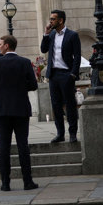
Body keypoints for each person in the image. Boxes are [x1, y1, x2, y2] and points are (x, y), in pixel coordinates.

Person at [0, 34, 38, 191]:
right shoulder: (24, 62)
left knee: (4, 147)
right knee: (23, 145)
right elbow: (33, 85)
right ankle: (27, 181)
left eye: (0, 44)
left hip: (2, 110)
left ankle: (5, 183)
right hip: (21, 109)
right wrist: (21, 88)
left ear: (7, 45)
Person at [40, 9, 81, 143]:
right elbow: (43, 49)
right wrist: (45, 34)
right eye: (50, 19)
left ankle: (73, 133)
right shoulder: (51, 35)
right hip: (53, 74)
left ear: (61, 20)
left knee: (70, 105)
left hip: (66, 74)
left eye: (53, 19)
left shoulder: (72, 35)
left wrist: (73, 74)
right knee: (56, 105)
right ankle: (60, 133)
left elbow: (77, 57)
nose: (50, 21)